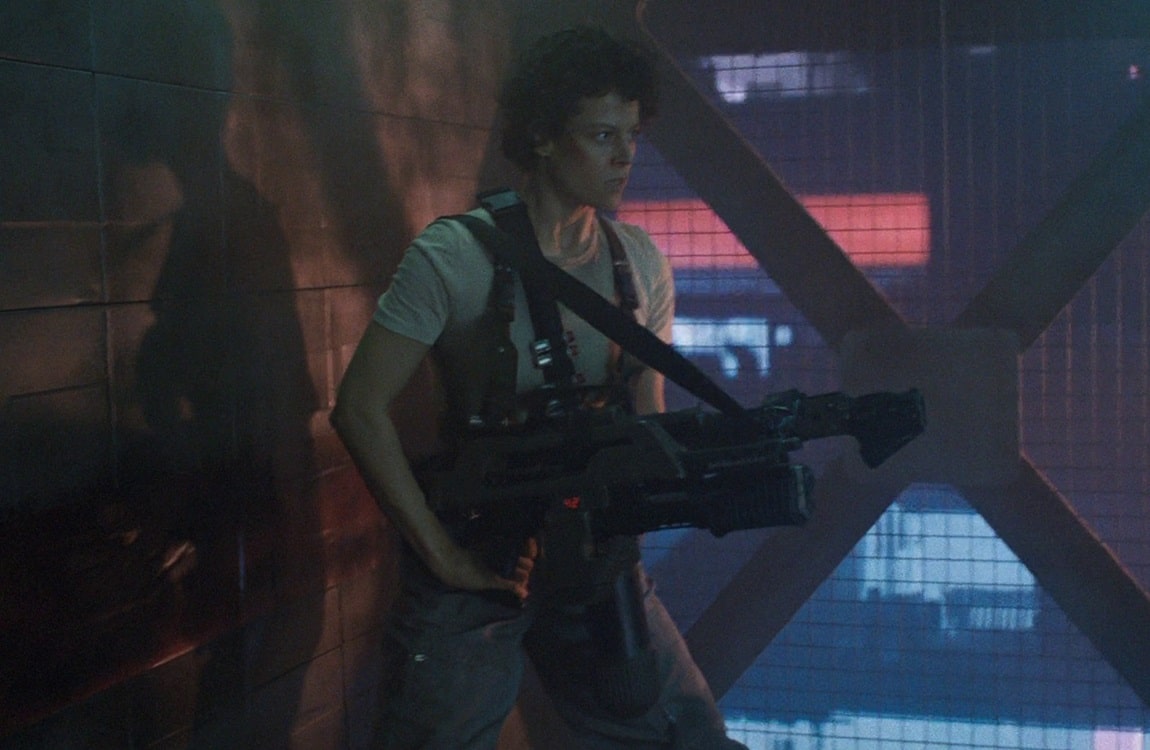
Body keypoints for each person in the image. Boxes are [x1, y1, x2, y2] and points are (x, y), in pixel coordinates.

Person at [332, 25, 749, 750]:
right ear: (544, 138)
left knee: (691, 738)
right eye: (601, 135)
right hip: (480, 559)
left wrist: (667, 495)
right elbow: (358, 409)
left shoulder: (639, 263)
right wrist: (440, 555)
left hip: (592, 558)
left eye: (631, 134)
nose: (624, 156)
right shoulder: (455, 256)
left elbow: (645, 420)